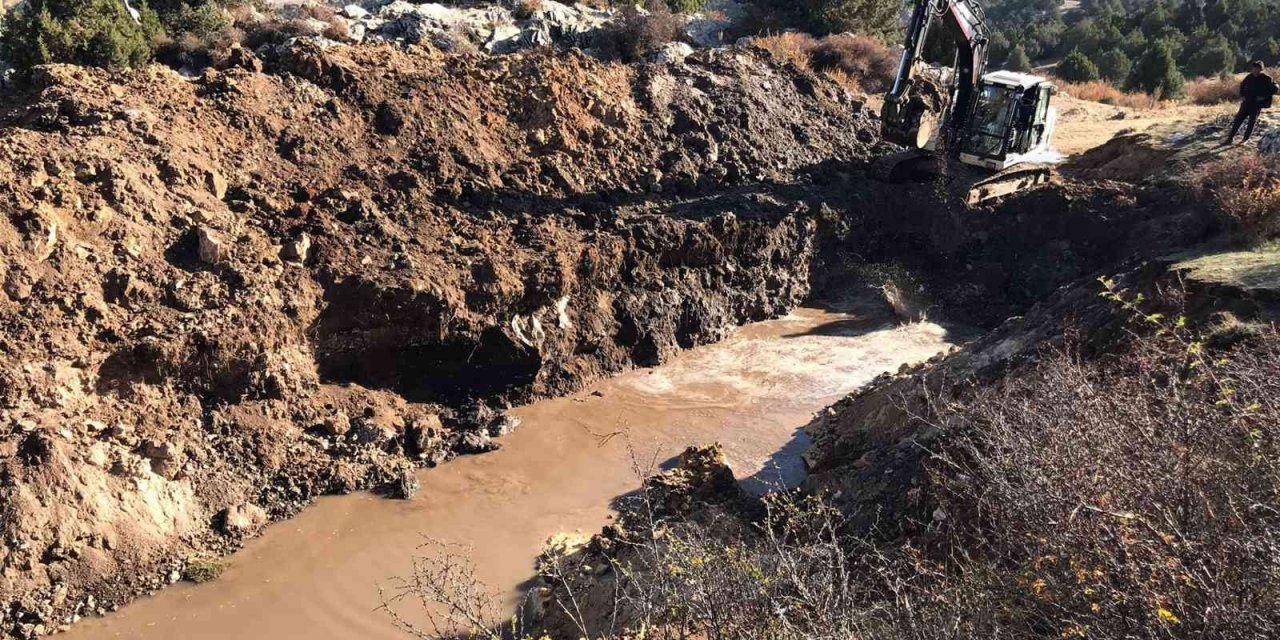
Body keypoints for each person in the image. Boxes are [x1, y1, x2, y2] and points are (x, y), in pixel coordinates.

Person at [1226, 61, 1279, 144]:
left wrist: (1264, 96)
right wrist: (1242, 95)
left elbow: (1275, 88)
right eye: (1254, 68)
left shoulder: (1266, 78)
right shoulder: (1249, 77)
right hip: (1246, 103)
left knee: (1251, 122)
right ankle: (1230, 139)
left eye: (1257, 69)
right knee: (1237, 121)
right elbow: (1242, 85)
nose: (1255, 70)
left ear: (1261, 69)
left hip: (1256, 105)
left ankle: (1245, 140)